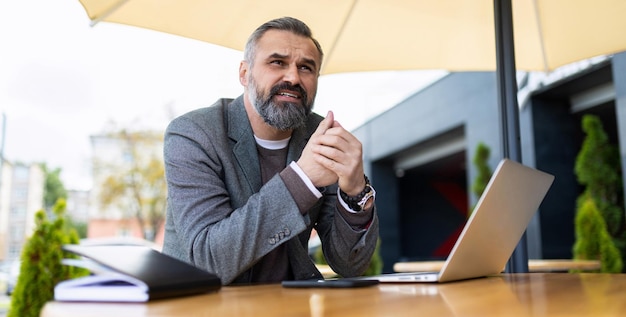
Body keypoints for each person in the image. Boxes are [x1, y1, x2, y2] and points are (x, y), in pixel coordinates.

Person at [162, 16, 379, 285]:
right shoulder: (194, 134)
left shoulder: (320, 136)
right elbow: (209, 260)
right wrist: (303, 179)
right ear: (244, 73)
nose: (293, 77)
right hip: (202, 306)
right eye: (277, 62)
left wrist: (356, 192)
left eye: (306, 68)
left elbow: (351, 264)